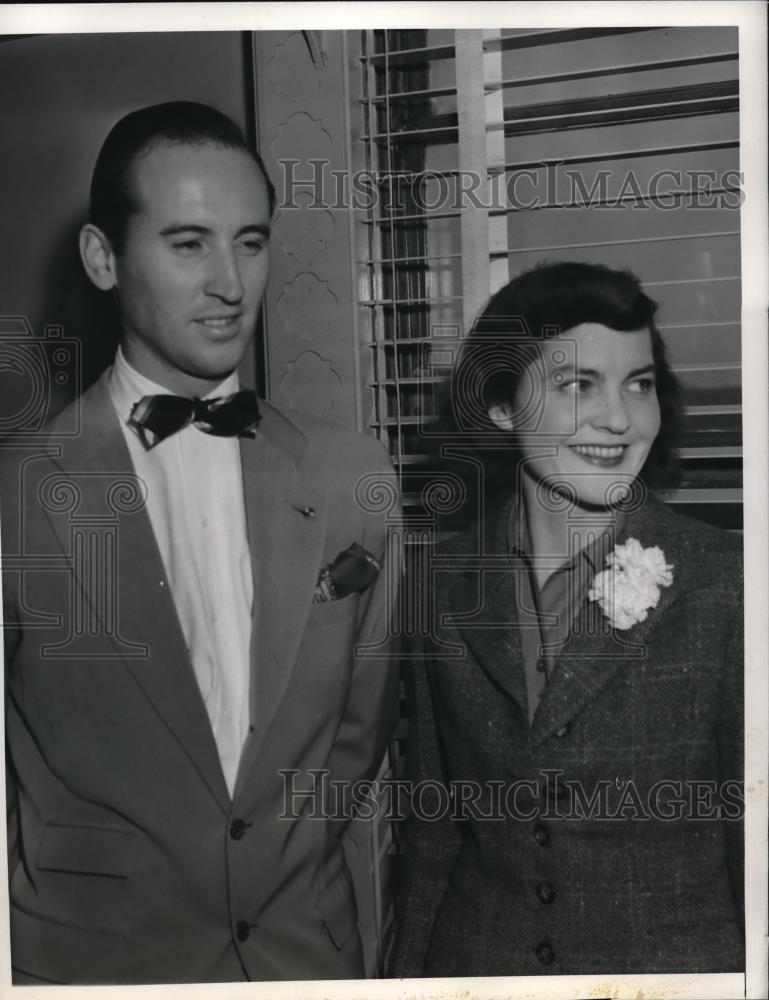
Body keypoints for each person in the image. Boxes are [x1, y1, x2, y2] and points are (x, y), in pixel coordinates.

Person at [2, 102, 400, 984]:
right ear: (103, 259)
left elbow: (356, 738)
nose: (231, 282)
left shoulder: (353, 477)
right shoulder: (18, 495)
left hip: (307, 960)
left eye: (250, 242)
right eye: (189, 244)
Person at [393, 261, 743, 976]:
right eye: (578, 385)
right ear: (498, 406)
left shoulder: (726, 583)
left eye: (638, 384)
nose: (618, 418)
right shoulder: (439, 583)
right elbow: (434, 830)